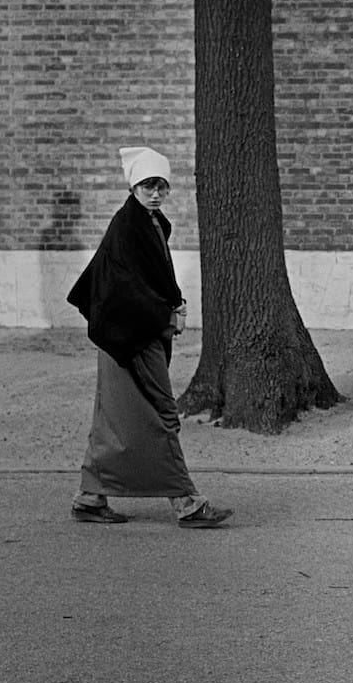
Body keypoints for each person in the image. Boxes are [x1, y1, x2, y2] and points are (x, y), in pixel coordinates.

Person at [66, 146, 232, 528]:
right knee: (162, 411)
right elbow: (123, 289)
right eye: (147, 185)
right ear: (133, 187)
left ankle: (90, 498)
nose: (155, 192)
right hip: (131, 335)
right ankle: (187, 503)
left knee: (114, 416)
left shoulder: (148, 223)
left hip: (124, 333)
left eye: (161, 186)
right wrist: (166, 315)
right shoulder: (130, 227)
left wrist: (172, 305)